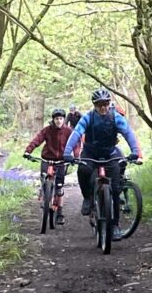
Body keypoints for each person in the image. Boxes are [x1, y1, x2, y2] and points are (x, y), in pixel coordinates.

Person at [64, 87, 140, 241]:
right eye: (99, 104)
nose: (103, 107)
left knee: (115, 188)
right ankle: (87, 198)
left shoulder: (116, 117)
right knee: (83, 171)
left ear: (109, 103)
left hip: (109, 153)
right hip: (91, 153)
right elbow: (76, 133)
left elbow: (128, 133)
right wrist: (67, 152)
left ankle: (115, 225)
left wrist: (135, 150)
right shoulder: (88, 118)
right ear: (94, 105)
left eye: (105, 104)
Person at [23, 108, 80, 224]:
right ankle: (44, 193)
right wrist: (28, 151)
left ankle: (60, 212)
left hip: (61, 161)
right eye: (56, 119)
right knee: (44, 179)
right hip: (47, 159)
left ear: (64, 119)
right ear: (53, 120)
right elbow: (37, 140)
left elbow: (76, 144)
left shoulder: (68, 131)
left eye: (60, 119)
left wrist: (76, 156)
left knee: (59, 188)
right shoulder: (47, 130)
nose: (58, 121)